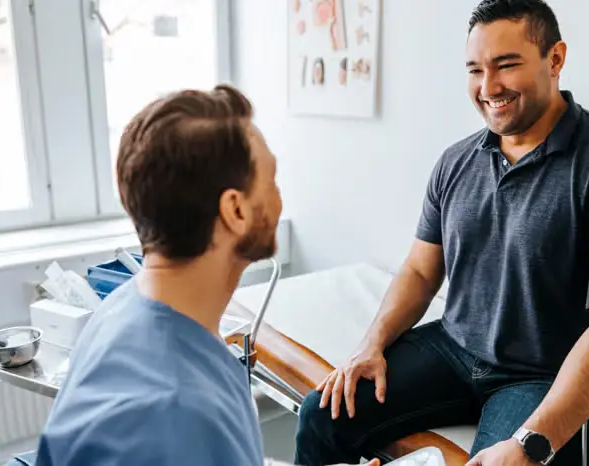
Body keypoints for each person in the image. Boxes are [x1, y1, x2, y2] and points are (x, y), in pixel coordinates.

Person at [295, 1, 589, 466]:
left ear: (555, 59)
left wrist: (531, 443)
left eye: (507, 65)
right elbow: (419, 269)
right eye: (475, 69)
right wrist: (370, 345)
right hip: (454, 349)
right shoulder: (456, 162)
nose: (488, 87)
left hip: (546, 375)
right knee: (321, 413)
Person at [33, 85, 378, 466]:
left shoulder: (125, 307)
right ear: (235, 210)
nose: (279, 198)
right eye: (272, 179)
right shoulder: (178, 412)